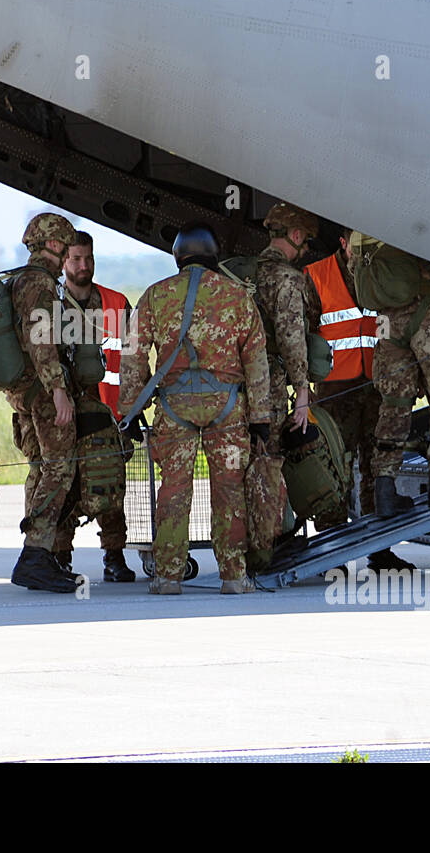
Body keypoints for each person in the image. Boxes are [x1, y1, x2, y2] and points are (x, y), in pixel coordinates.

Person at [119, 224, 270, 594]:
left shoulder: (156, 295)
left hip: (174, 409)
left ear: (178, 255)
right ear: (213, 253)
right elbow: (256, 362)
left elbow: (133, 355)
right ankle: (234, 576)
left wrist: (130, 407)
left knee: (173, 489)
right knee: (230, 491)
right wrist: (261, 419)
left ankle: (168, 576)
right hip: (229, 410)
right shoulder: (238, 296)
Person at [301, 229, 412, 570]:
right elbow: (299, 334)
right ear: (343, 244)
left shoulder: (381, 274)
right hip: (335, 392)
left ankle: (380, 549)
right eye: (357, 245)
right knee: (334, 471)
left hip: (377, 387)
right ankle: (332, 553)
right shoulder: (316, 276)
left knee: (378, 469)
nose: (362, 252)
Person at [352, 236, 430, 516]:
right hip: (425, 312)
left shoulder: (361, 231)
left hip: (387, 322)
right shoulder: (409, 221)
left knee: (394, 402)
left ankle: (385, 488)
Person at [1, 212, 81, 593]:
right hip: (43, 393)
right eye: (65, 244)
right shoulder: (39, 283)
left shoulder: (19, 279)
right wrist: (58, 389)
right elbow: (41, 338)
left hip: (24, 392)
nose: (68, 251)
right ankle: (35, 556)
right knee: (58, 468)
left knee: (40, 468)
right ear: (53, 244)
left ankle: (40, 554)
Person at [51, 229, 135, 583]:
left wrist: (131, 411)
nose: (83, 266)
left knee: (109, 488)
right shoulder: (50, 305)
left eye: (88, 258)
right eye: (76, 259)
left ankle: (114, 558)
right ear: (63, 262)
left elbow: (134, 361)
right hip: (65, 418)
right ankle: (60, 559)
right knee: (63, 487)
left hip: (109, 416)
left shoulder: (117, 303)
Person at [246, 202, 313, 564]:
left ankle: (243, 547)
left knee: (245, 464)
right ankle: (266, 549)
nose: (307, 251)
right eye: (307, 243)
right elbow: (291, 338)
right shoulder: (288, 279)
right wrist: (301, 391)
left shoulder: (246, 274)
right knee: (268, 464)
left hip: (236, 384)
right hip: (268, 386)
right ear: (296, 235)